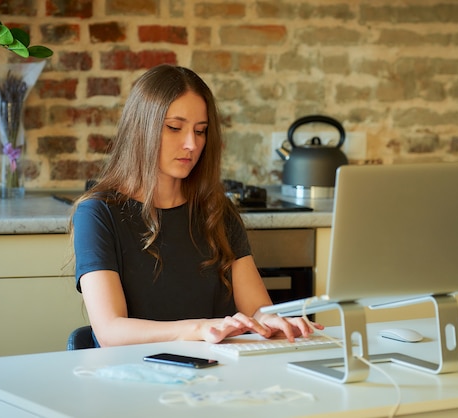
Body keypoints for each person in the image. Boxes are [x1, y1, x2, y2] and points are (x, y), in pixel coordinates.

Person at [70, 64, 322, 347]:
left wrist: (272, 320)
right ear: (141, 129)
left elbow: (256, 309)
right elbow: (110, 331)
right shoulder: (97, 214)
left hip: (215, 378)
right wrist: (200, 328)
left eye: (200, 131)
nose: (191, 144)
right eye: (175, 128)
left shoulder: (217, 211)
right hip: (134, 375)